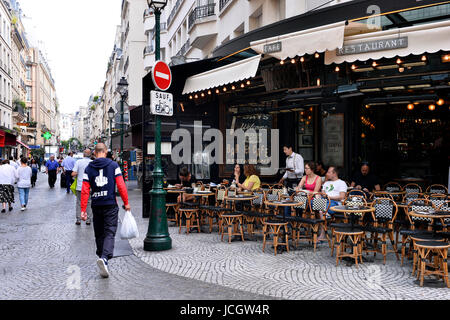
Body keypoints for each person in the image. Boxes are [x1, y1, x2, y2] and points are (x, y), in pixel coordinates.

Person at [80, 143, 130, 278]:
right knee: (110, 232)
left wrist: (83, 210)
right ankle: (104, 258)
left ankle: (102, 256)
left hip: (96, 205)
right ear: (106, 151)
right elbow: (121, 185)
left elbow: (85, 190)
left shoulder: (88, 168)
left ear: (95, 153)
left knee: (99, 233)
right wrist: (126, 202)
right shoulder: (113, 166)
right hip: (110, 204)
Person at [315, 166, 347, 241]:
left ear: (334, 173)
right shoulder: (327, 183)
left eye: (329, 172)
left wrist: (328, 197)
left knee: (320, 210)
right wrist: (321, 195)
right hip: (325, 201)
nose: (327, 174)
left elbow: (342, 197)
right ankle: (326, 215)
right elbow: (323, 192)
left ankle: (322, 234)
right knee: (314, 201)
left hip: (335, 203)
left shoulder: (341, 183)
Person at [72, 149, 93, 225]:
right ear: (90, 155)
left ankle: (78, 219)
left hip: (80, 186)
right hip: (89, 187)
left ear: (83, 155)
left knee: (79, 202)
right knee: (89, 202)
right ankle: (88, 219)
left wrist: (78, 173)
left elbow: (73, 173)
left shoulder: (78, 162)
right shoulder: (92, 163)